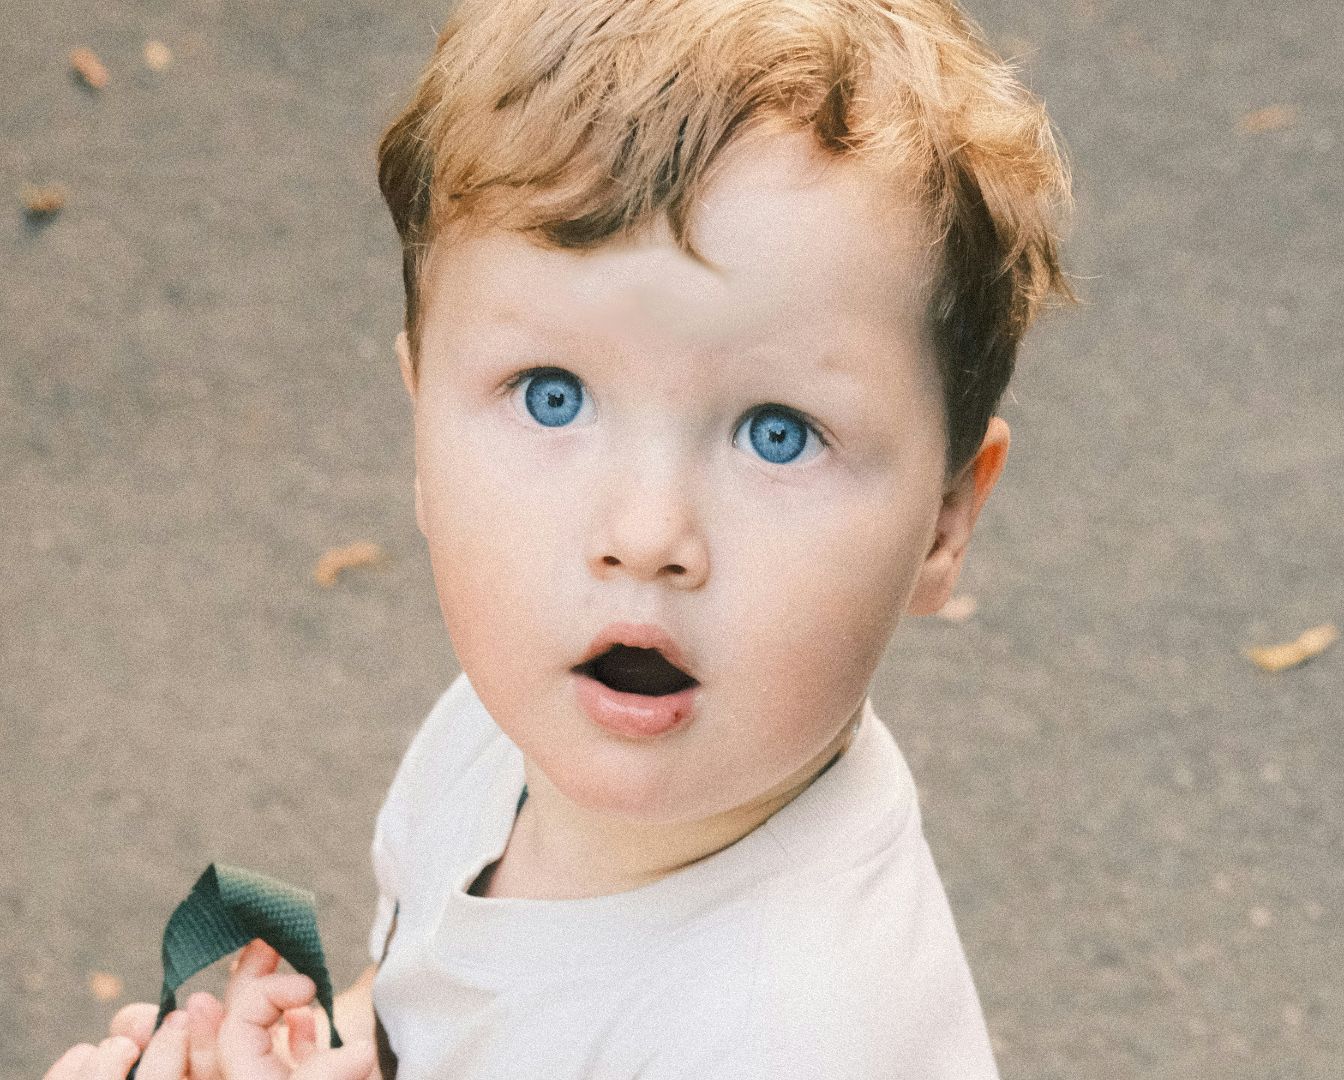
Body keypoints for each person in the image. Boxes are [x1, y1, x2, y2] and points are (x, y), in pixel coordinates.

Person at [43, 0, 1074, 1076]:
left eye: (778, 433)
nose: (646, 534)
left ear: (945, 521)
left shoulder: (790, 1039)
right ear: (420, 422)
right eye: (552, 396)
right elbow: (440, 1001)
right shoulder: (504, 732)